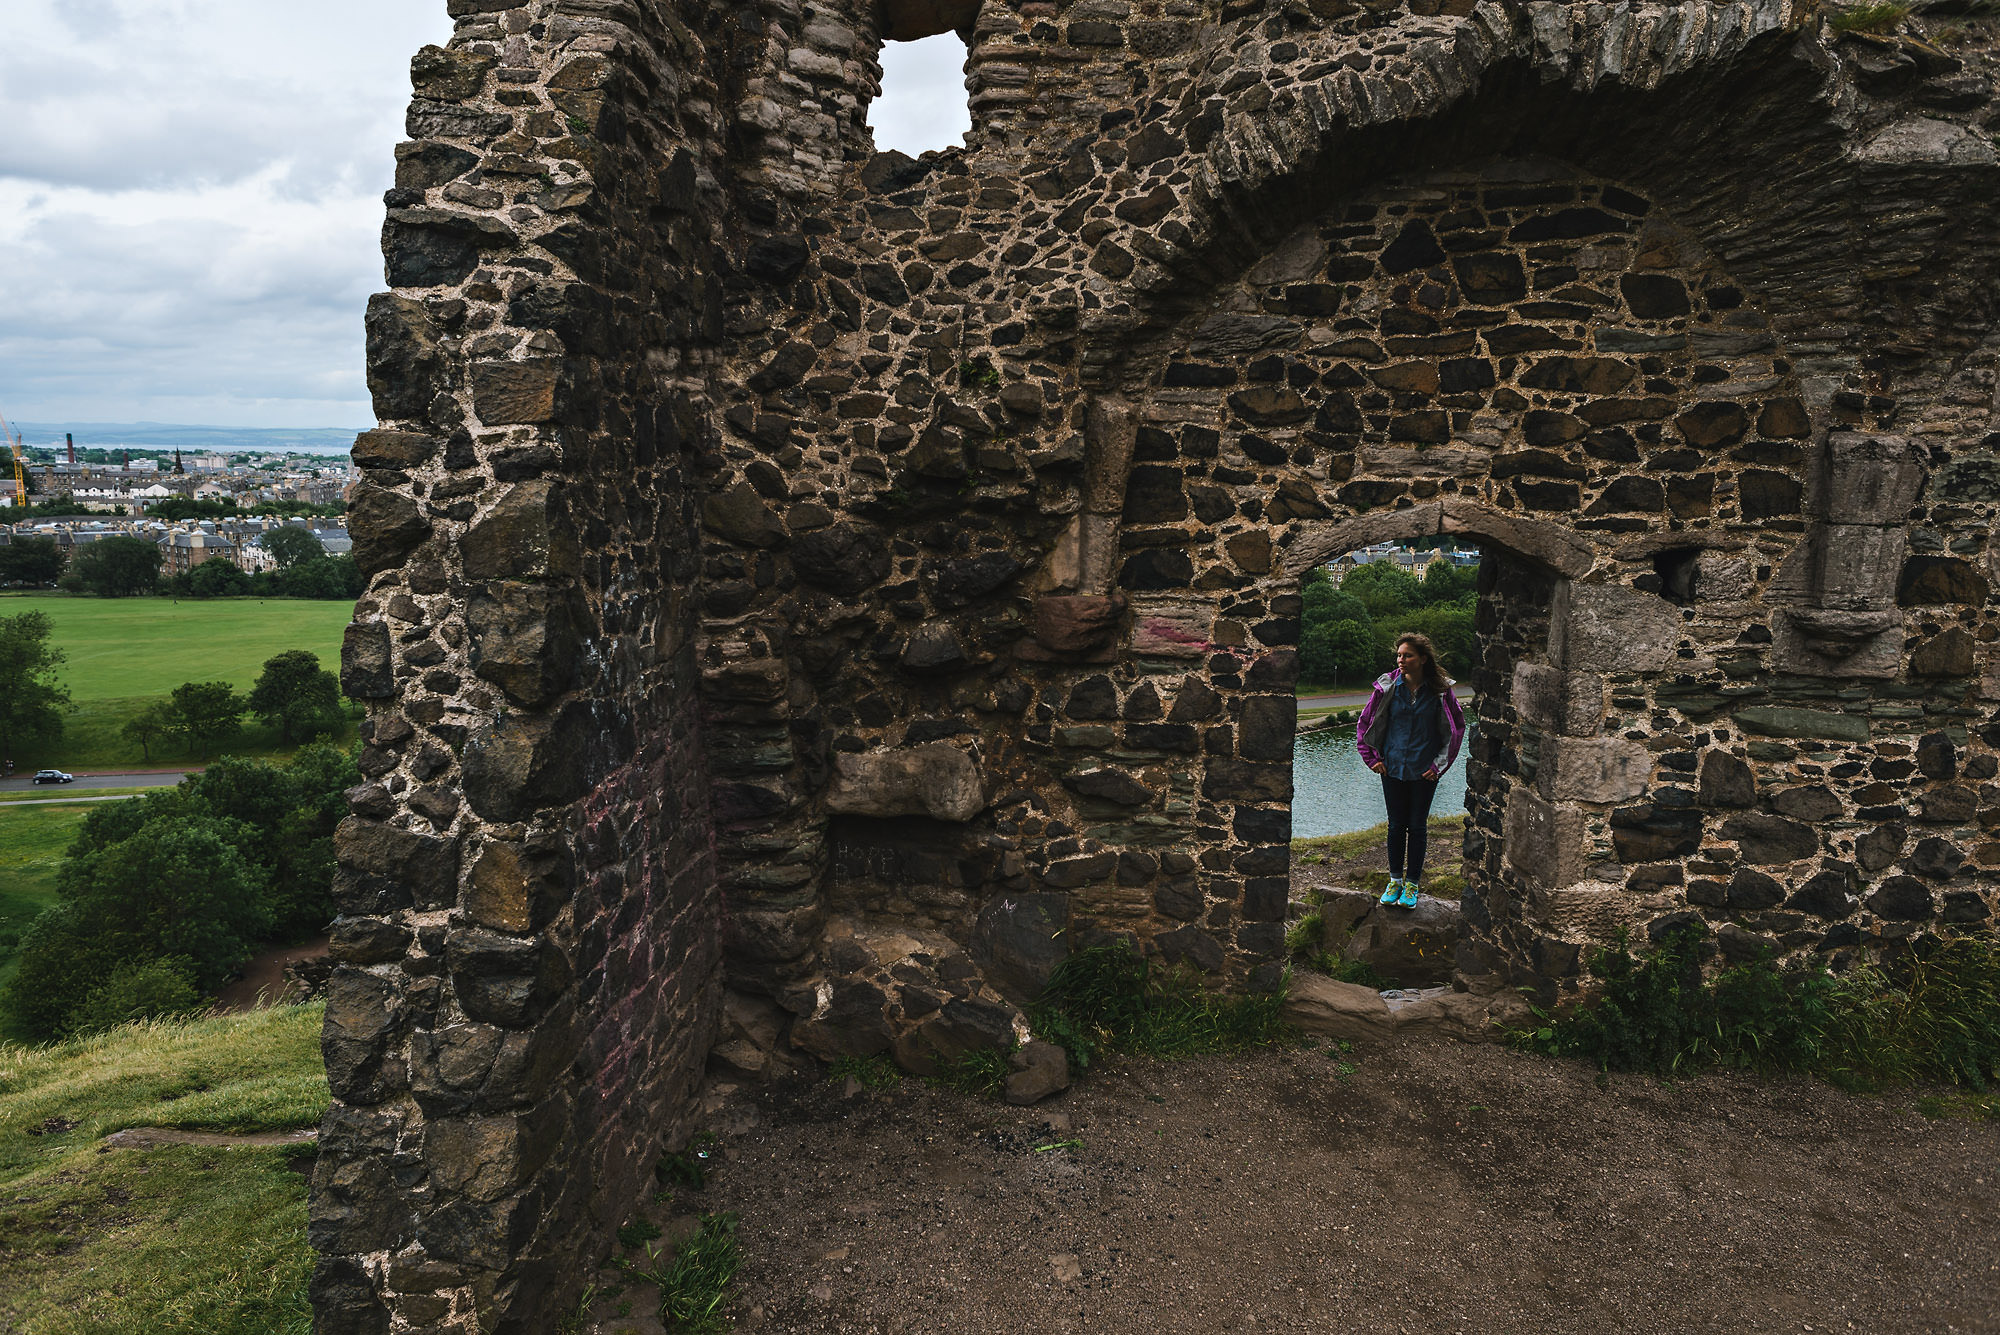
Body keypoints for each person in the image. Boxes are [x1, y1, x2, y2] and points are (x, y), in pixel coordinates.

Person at [1354, 632, 1465, 909]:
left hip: (1424, 771)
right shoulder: (1387, 687)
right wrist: (1372, 759)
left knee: (1417, 827)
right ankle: (1394, 881)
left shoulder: (1440, 692)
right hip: (1391, 768)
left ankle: (1412, 885)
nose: (1401, 660)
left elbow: (1455, 731)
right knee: (1395, 826)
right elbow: (1365, 723)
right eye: (1399, 655)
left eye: (1408, 655)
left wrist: (1438, 766)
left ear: (1423, 659)